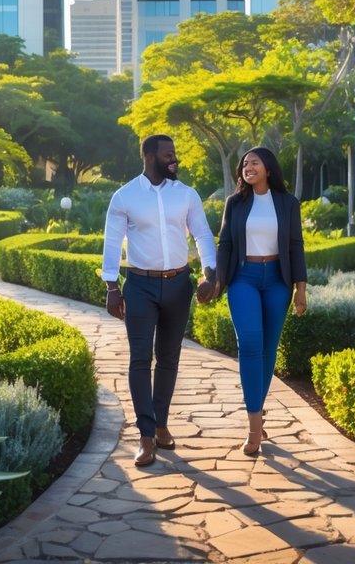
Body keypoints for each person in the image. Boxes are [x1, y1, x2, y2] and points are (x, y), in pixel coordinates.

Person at [101, 134, 217, 467]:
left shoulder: (187, 195)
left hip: (179, 285)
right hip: (140, 285)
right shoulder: (125, 197)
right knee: (140, 359)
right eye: (169, 154)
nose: (174, 159)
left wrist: (209, 274)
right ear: (150, 156)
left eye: (175, 154)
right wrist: (111, 287)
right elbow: (112, 242)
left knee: (168, 358)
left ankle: (162, 422)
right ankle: (146, 436)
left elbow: (202, 234)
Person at [205, 146, 306, 457]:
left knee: (267, 349)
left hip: (278, 279)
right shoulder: (235, 203)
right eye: (244, 164)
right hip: (244, 278)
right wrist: (218, 280)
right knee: (250, 343)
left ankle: (257, 416)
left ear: (268, 169)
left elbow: (296, 246)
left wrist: (300, 290)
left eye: (254, 163)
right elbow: (225, 244)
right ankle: (253, 429)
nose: (247, 168)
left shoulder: (288, 204)